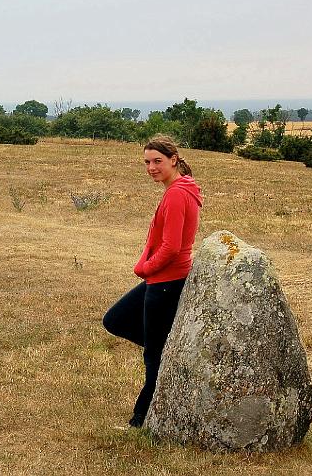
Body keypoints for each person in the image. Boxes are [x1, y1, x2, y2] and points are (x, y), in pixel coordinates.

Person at [102, 135, 202, 427]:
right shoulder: (180, 188)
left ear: (173, 159)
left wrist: (145, 269)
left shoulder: (177, 193)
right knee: (116, 319)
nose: (151, 167)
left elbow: (171, 247)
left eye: (157, 161)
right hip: (163, 278)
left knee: (153, 353)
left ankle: (141, 418)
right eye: (147, 162)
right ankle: (175, 351)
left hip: (166, 280)